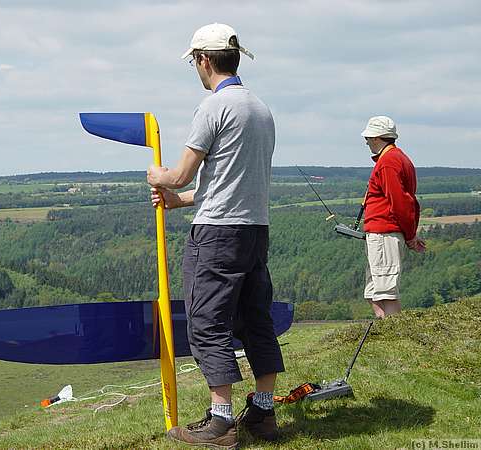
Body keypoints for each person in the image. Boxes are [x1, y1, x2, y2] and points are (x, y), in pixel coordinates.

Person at [146, 23, 284, 449]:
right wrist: (182, 200)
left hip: (216, 236)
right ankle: (262, 410)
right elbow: (228, 182)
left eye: (194, 62)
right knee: (255, 318)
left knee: (207, 322)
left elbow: (182, 172)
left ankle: (221, 421)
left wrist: (160, 177)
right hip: (254, 231)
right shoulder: (260, 109)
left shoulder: (213, 108)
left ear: (203, 60)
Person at [361, 115, 426, 319]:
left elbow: (400, 202)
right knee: (374, 291)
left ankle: (397, 336)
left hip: (384, 233)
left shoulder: (388, 162)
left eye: (369, 138)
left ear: (378, 137)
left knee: (386, 292)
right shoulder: (398, 158)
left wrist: (410, 236)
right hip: (381, 232)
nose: (367, 142)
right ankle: (385, 332)